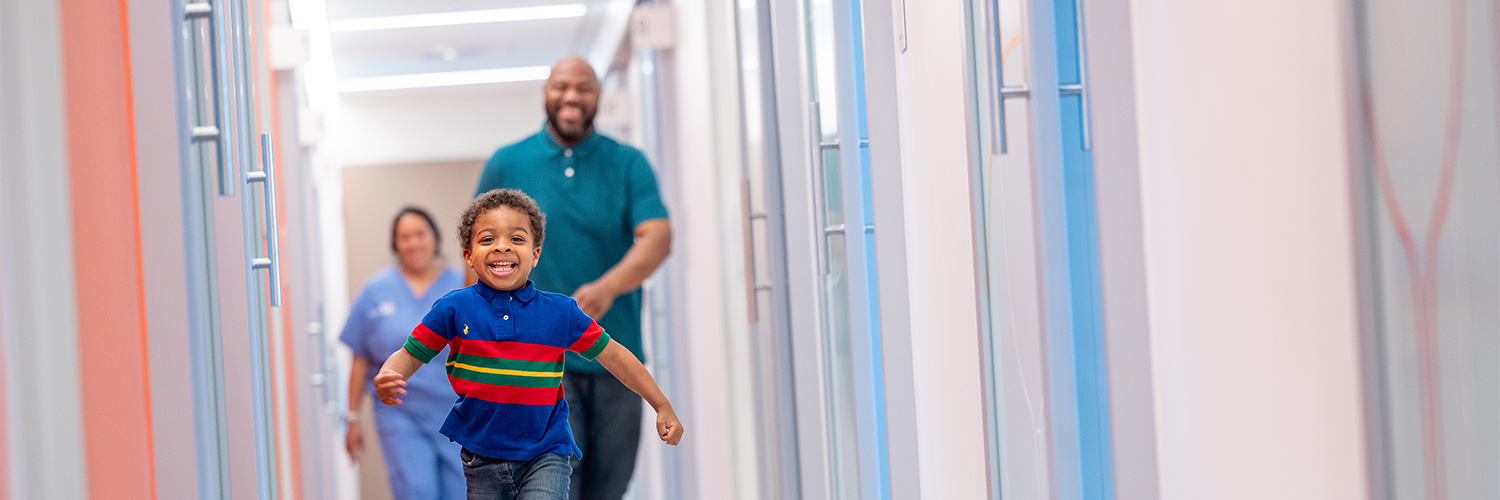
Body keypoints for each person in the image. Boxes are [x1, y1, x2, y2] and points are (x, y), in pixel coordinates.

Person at [373, 189, 683, 500]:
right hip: (481, 457)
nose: (502, 246)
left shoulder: (560, 313)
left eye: (517, 239)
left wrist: (661, 404)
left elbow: (614, 355)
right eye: (487, 239)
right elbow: (410, 354)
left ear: (535, 253)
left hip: (545, 453)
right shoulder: (453, 308)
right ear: (468, 255)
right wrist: (390, 373)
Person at [472, 56, 672, 500]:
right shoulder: (508, 163)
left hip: (615, 355)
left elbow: (657, 237)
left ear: (597, 97)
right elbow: (477, 248)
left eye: (583, 88)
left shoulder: (626, 164)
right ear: (546, 93)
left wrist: (608, 288)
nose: (571, 97)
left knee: (609, 485)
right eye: (561, 86)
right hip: (538, 361)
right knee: (555, 482)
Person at [340, 207, 466, 499]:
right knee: (416, 490)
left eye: (420, 234)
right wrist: (352, 418)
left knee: (461, 492)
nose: (413, 243)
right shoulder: (375, 291)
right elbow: (360, 360)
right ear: (395, 244)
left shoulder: (463, 286)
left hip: (457, 411)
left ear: (435, 238)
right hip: (400, 413)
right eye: (404, 237)